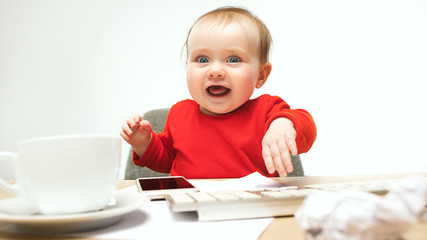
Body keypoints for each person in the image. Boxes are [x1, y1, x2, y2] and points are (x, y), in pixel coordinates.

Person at [121, 6, 316, 178]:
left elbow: (306, 127)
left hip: (253, 205)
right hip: (191, 206)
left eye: (233, 60)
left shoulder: (267, 111)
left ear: (261, 75)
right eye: (203, 59)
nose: (215, 71)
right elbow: (166, 161)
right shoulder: (179, 114)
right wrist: (144, 143)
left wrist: (283, 124)